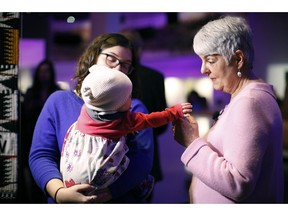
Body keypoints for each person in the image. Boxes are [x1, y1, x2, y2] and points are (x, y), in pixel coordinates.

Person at [29, 33, 157, 203]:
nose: (118, 68)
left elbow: (141, 161)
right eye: (111, 58)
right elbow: (41, 155)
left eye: (126, 65)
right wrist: (59, 193)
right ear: (93, 58)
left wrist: (109, 193)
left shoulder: (135, 108)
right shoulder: (59, 102)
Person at [172, 16, 284, 203]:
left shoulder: (250, 102)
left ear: (238, 59)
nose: (203, 69)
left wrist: (192, 142)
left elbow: (238, 182)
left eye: (210, 60)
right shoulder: (248, 98)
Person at [60, 64, 192, 197]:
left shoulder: (87, 109)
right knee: (133, 170)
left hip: (74, 170)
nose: (132, 100)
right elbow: (152, 120)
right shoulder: (125, 121)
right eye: (128, 97)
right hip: (97, 175)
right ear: (115, 104)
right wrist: (175, 112)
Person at [121, 30, 168, 193]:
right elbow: (162, 125)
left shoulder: (113, 77)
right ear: (140, 50)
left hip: (114, 157)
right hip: (147, 157)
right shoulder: (155, 77)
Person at [20, 59, 61, 203]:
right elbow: (25, 116)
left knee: (54, 176)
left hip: (53, 140)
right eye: (42, 71)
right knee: (34, 180)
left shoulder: (57, 93)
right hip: (31, 137)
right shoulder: (31, 92)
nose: (44, 74)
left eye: (47, 71)